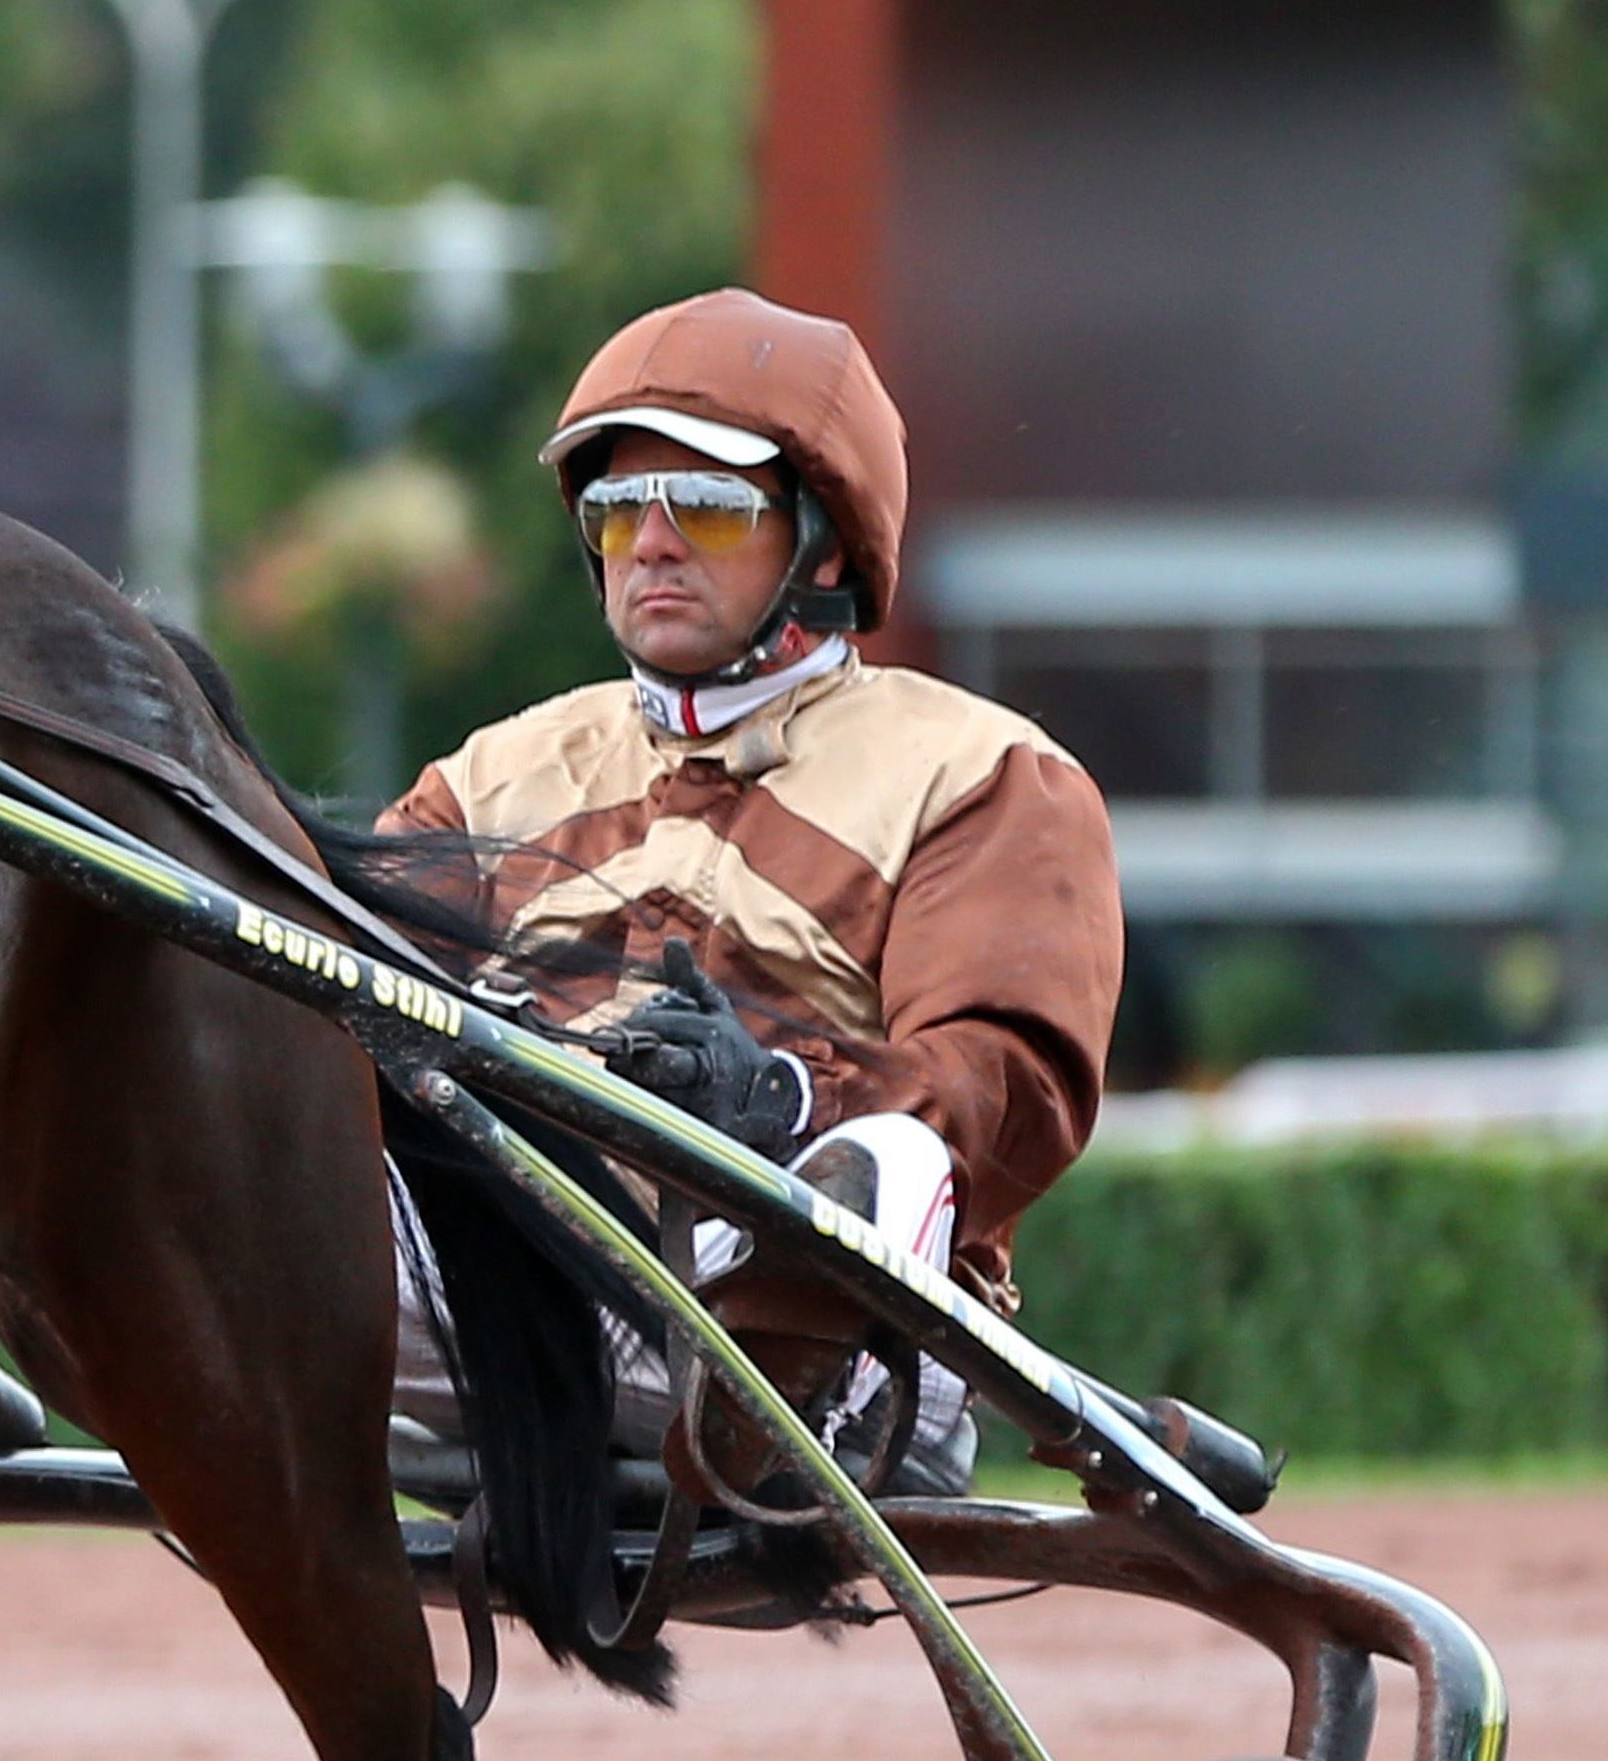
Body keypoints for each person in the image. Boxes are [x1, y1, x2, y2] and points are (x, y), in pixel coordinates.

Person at [383, 289, 1123, 1494]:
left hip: (843, 1319)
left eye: (711, 508)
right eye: (622, 511)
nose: (655, 542)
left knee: (883, 1158)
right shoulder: (482, 778)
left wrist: (775, 1098)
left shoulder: (986, 773)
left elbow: (1009, 1087)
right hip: (513, 1288)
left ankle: (765, 1388)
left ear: (823, 539)